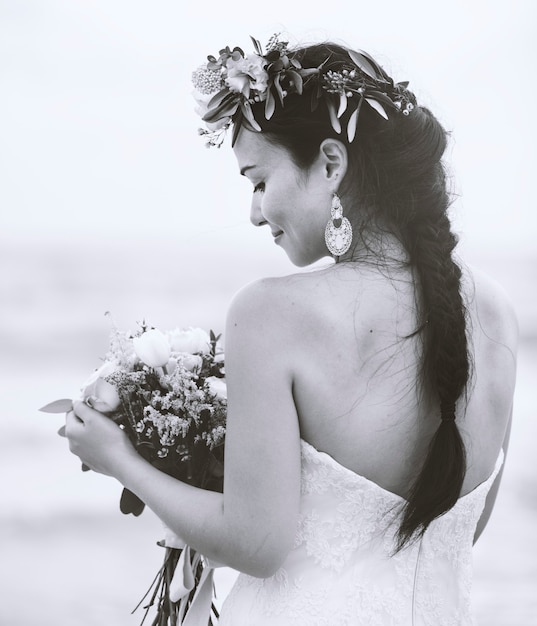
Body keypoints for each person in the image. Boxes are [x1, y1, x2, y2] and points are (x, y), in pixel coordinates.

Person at [64, 35, 518, 625]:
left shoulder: (271, 314)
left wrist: (120, 458)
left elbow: (256, 544)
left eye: (258, 180)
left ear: (331, 164)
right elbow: (463, 529)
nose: (254, 212)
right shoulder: (496, 311)